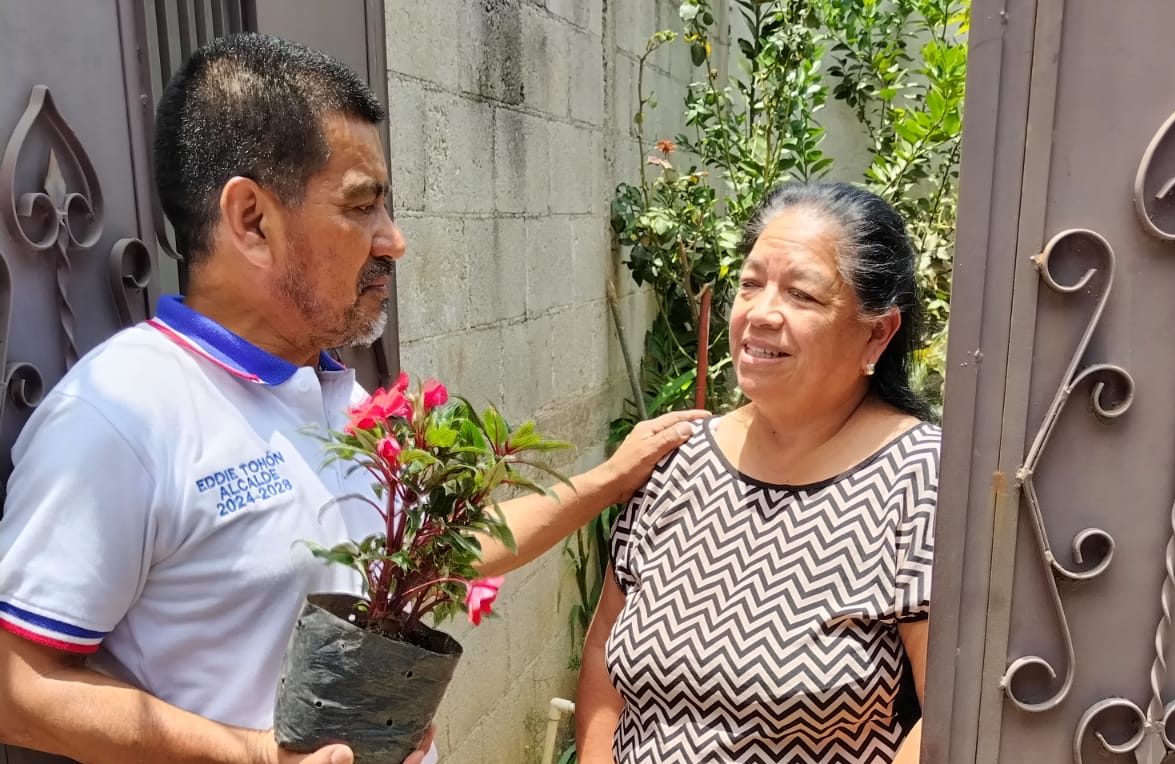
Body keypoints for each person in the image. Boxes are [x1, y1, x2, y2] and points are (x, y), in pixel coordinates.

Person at [0, 33, 703, 764]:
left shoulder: (334, 395)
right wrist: (255, 755)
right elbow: (15, 688)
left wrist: (611, 477)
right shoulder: (119, 416)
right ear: (252, 221)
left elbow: (448, 554)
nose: (393, 240)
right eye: (362, 205)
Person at [575, 181, 941, 763]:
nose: (761, 313)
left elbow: (946, 717)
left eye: (801, 294)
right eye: (750, 284)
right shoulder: (678, 459)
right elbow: (602, 662)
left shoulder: (921, 479)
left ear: (877, 332)